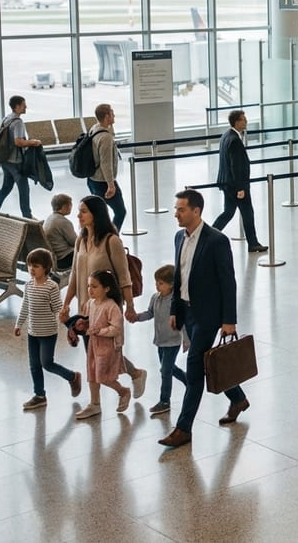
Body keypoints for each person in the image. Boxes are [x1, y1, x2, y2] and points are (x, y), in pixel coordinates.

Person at [159, 189, 251, 448]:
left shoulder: (216, 241)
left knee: (194, 367)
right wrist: (176, 310)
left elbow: (227, 282)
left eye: (181, 209)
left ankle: (183, 428)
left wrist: (229, 320)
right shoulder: (179, 237)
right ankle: (238, 397)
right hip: (187, 312)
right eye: (176, 208)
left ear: (196, 211)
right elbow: (179, 277)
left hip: (209, 315)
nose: (176, 213)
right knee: (206, 363)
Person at [57, 194, 145, 418]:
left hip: (108, 306)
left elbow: (124, 277)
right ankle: (103, 397)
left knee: (101, 352)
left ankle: (121, 385)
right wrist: (67, 303)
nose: (79, 215)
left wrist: (130, 307)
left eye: (84, 211)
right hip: (86, 306)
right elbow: (75, 274)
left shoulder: (111, 241)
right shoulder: (80, 240)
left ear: (96, 214)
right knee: (94, 353)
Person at [15, 248, 79, 410]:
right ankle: (39, 395)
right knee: (34, 365)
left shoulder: (51, 287)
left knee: (47, 363)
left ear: (46, 268)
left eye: (36, 266)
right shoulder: (29, 285)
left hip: (48, 333)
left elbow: (58, 308)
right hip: (32, 332)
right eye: (30, 265)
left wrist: (68, 323)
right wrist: (18, 324)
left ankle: (72, 377)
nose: (31, 269)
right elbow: (25, 306)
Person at [77, 269, 134, 419]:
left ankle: (123, 391)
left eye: (94, 286)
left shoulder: (112, 307)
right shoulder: (91, 303)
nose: (90, 290)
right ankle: (94, 404)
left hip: (107, 347)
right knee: (92, 374)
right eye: (89, 286)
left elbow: (116, 328)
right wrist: (84, 323)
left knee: (103, 377)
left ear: (107, 288)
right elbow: (91, 320)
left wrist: (99, 331)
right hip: (93, 345)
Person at [133, 264, 187, 417]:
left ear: (171, 285)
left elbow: (183, 322)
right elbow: (150, 313)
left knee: (165, 371)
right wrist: (137, 317)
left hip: (173, 342)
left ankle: (165, 401)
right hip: (160, 341)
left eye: (161, 283)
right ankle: (188, 380)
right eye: (156, 282)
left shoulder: (176, 302)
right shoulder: (155, 298)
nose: (157, 285)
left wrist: (186, 340)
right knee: (167, 368)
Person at [211, 109, 268, 253]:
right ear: (236, 122)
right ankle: (253, 243)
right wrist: (240, 188)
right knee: (247, 212)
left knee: (228, 212)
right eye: (243, 119)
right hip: (236, 185)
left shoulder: (226, 135)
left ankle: (207, 236)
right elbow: (235, 166)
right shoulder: (235, 140)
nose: (246, 121)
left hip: (227, 183)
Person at [0, 95, 41, 218]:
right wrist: (33, 142)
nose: (26, 106)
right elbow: (18, 142)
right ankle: (27, 215)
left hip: (5, 159)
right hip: (15, 161)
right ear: (17, 106)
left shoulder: (6, 118)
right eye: (24, 104)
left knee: (6, 187)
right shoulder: (18, 122)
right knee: (24, 189)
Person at [85, 103, 127, 232]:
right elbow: (105, 163)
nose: (114, 115)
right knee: (120, 212)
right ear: (107, 116)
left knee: (100, 213)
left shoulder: (95, 128)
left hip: (92, 179)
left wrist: (110, 123)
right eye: (112, 113)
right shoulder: (105, 138)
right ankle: (111, 237)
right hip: (103, 182)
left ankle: (103, 238)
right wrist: (111, 184)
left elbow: (111, 133)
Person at [42, 193, 76, 277]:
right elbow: (75, 242)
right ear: (64, 206)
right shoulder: (64, 222)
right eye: (70, 204)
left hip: (51, 257)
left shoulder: (50, 218)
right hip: (63, 259)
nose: (71, 207)